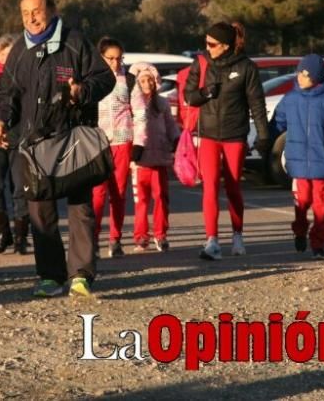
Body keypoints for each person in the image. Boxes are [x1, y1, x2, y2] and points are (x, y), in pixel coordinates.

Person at [0, 0, 114, 298]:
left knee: (80, 208)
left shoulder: (75, 43)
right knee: (39, 211)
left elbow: (105, 78)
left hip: (73, 140)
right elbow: (8, 93)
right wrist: (1, 120)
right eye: (25, 12)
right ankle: (50, 276)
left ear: (53, 10)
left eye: (37, 10)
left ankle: (81, 275)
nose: (31, 18)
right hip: (34, 146)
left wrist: (82, 90)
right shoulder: (19, 50)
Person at [184, 22, 270, 260]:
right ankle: (212, 241)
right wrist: (203, 94)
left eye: (212, 44)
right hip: (208, 134)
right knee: (210, 185)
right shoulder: (201, 64)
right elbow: (188, 96)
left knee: (233, 186)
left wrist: (263, 136)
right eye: (206, 42)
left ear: (225, 45)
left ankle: (238, 235)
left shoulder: (246, 67)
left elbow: (257, 104)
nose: (207, 47)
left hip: (235, 135)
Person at [268, 54, 324, 260]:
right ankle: (300, 231)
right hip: (298, 163)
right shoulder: (291, 99)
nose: (300, 78)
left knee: (321, 207)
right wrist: (265, 140)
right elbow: (277, 123)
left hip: (323, 164)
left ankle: (319, 244)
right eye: (299, 73)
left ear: (317, 77)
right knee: (301, 202)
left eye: (306, 75)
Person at [0, 33, 29, 255]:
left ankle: (21, 236)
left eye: (11, 54)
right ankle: (3, 233)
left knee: (20, 187)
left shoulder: (26, 75)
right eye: (3, 54)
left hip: (19, 135)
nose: (7, 58)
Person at [128, 62, 181, 252]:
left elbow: (171, 126)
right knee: (141, 199)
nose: (147, 83)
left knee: (161, 196)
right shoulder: (133, 103)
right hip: (141, 159)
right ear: (137, 82)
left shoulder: (162, 103)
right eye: (142, 80)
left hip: (160, 157)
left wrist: (177, 141)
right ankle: (141, 237)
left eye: (149, 79)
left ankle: (161, 234)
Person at [93, 37, 135, 258]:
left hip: (122, 139)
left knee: (118, 193)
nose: (115, 62)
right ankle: (93, 239)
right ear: (101, 57)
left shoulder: (129, 79)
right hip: (98, 141)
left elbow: (137, 111)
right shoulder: (91, 78)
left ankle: (115, 239)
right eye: (110, 58)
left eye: (119, 58)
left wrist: (139, 143)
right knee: (98, 193)